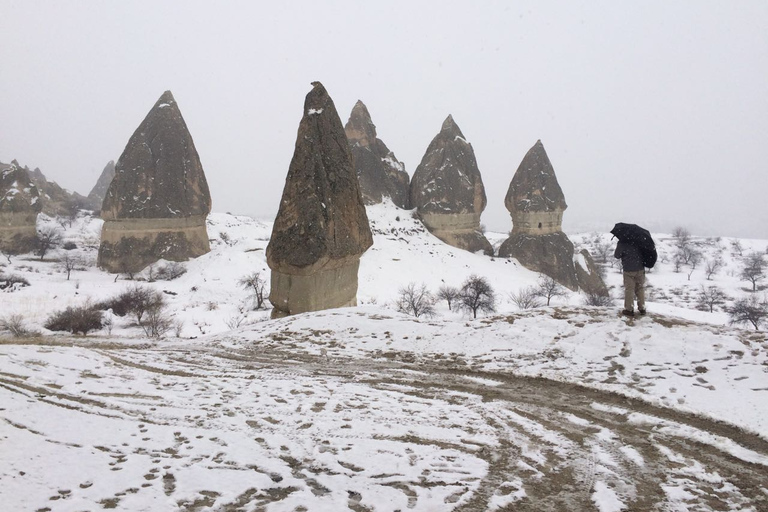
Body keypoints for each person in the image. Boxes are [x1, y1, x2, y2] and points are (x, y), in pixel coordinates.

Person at [614, 240, 646, 316]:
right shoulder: (640, 240)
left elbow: (617, 255)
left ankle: (629, 309)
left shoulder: (622, 242)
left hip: (629, 269)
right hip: (640, 268)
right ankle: (642, 308)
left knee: (629, 289)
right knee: (640, 288)